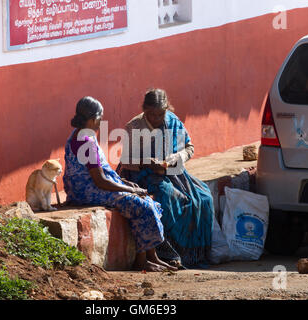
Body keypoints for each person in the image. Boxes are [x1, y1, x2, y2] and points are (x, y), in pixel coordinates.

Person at [63, 96, 177, 272]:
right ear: (93, 119)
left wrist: (125, 183)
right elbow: (100, 180)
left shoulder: (78, 135)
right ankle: (141, 260)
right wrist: (130, 188)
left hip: (84, 188)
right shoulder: (87, 141)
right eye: (100, 119)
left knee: (148, 201)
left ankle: (152, 257)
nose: (100, 123)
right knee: (141, 205)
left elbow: (101, 173)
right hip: (87, 191)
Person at [117, 88, 214, 268]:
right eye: (151, 114)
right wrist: (147, 163)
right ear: (144, 110)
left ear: (167, 109)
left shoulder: (173, 121)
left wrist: (178, 158)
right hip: (142, 174)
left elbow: (189, 147)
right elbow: (125, 161)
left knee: (203, 198)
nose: (156, 118)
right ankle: (169, 254)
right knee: (168, 198)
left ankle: (194, 254)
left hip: (174, 172)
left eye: (160, 114)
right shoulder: (134, 126)